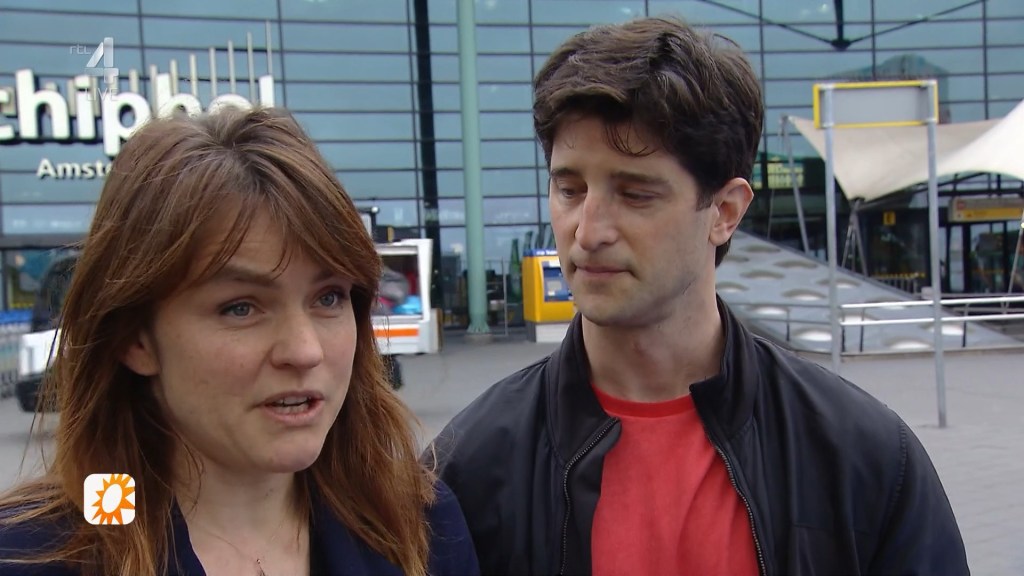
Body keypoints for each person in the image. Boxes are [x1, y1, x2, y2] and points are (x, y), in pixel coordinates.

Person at [426, 16, 969, 576]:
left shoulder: (863, 457)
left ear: (725, 212)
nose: (587, 231)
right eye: (570, 189)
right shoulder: (468, 470)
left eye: (635, 194)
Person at [0, 107, 479, 576]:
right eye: (241, 308)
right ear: (135, 339)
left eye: (329, 297)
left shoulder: (420, 524)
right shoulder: (38, 555)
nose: (304, 350)